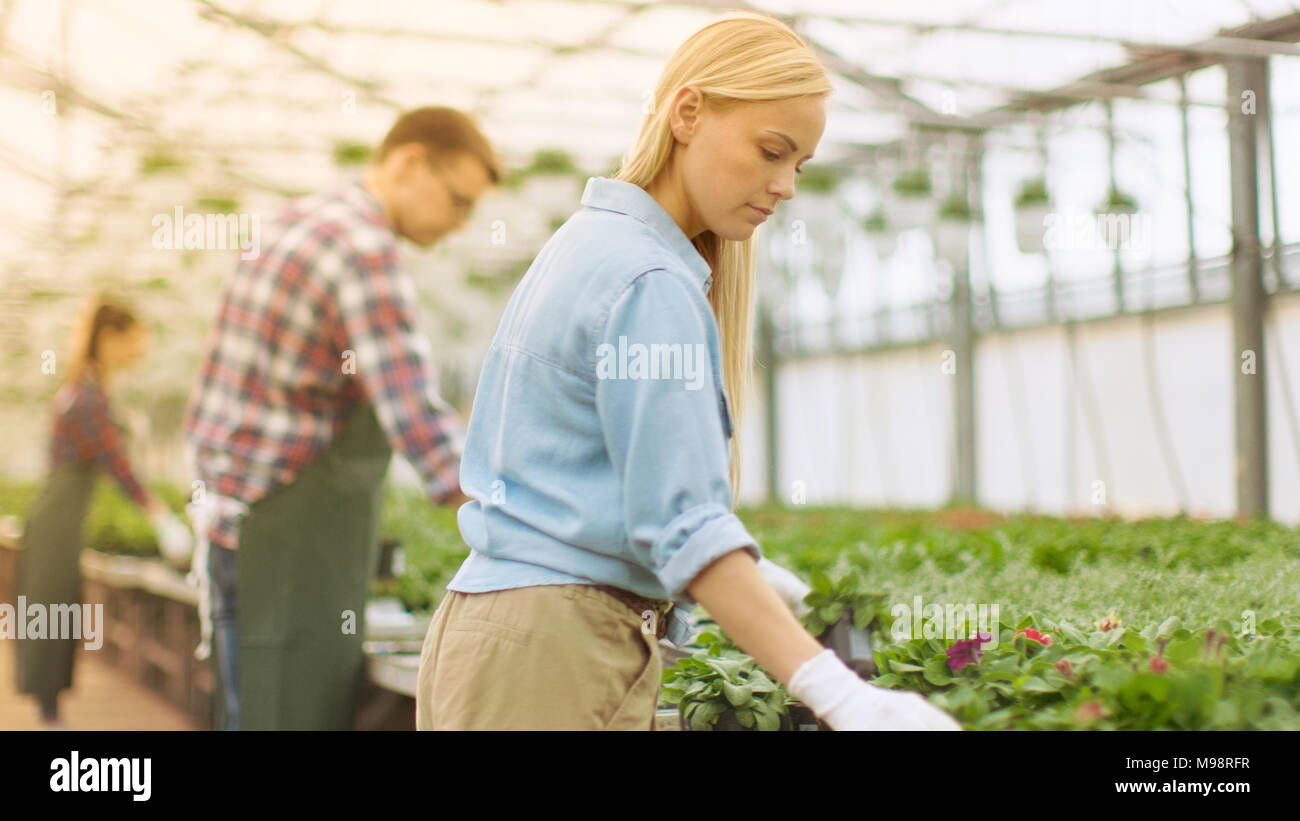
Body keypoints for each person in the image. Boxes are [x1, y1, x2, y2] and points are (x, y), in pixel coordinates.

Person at [415, 11, 961, 731]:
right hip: (552, 654)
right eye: (771, 150)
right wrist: (842, 693)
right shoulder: (650, 280)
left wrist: (749, 579)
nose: (786, 185)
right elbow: (681, 525)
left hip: (496, 634)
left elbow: (583, 475)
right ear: (689, 112)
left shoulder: (590, 242)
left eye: (798, 165)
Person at [183, 106, 498, 731]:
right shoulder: (362, 249)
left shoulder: (301, 218)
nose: (461, 225)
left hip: (234, 522)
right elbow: (417, 419)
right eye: (459, 201)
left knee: (250, 709)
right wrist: (511, 514)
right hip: (286, 540)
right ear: (411, 163)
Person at [15, 297, 192, 729]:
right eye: (134, 340)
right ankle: (48, 715)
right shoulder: (89, 393)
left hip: (64, 515)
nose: (140, 352)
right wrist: (160, 516)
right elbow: (118, 465)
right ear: (110, 338)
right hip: (57, 516)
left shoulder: (90, 386)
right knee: (50, 608)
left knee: (60, 606)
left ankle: (50, 711)